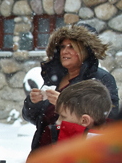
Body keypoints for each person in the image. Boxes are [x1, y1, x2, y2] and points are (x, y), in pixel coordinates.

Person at [23, 25, 119, 154]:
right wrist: (33, 102)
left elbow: (108, 122)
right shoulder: (55, 77)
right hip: (42, 152)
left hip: (74, 152)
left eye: (71, 47)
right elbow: (36, 118)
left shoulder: (101, 79)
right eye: (62, 47)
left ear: (84, 51)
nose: (64, 51)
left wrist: (65, 105)